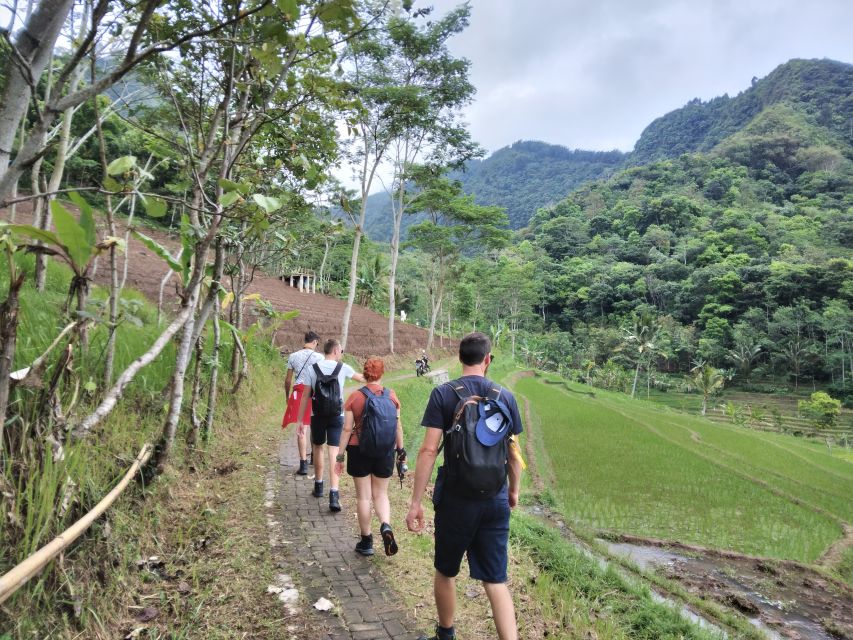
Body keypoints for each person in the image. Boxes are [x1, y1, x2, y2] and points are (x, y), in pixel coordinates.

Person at [407, 332, 523, 640]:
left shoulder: (443, 394)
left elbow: (429, 450)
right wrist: (513, 491)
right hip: (495, 498)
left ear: (460, 358)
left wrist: (416, 502)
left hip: (456, 499)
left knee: (446, 570)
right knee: (496, 580)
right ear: (488, 360)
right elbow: (513, 453)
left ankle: (446, 634)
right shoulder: (505, 396)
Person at [335, 357, 405, 557]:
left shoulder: (355, 398)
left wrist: (339, 457)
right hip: (385, 450)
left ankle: (366, 542)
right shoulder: (392, 396)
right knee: (381, 494)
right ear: (382, 374)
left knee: (364, 497)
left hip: (359, 450)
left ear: (364, 374)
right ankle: (385, 525)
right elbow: (398, 426)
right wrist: (401, 451)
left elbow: (347, 428)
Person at [297, 339, 365, 511]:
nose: (341, 354)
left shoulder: (313, 369)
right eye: (341, 351)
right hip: (337, 415)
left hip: (317, 415)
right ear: (335, 351)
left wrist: (300, 421)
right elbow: (363, 379)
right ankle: (334, 495)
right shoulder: (342, 368)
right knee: (334, 451)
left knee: (318, 448)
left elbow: (305, 396)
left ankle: (318, 486)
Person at [282, 331, 322, 476]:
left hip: (299, 394)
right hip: (314, 395)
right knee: (313, 425)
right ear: (315, 342)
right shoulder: (320, 357)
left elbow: (287, 381)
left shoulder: (293, 356)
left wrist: (287, 397)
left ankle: (303, 464)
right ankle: (313, 458)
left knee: (301, 429)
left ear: (305, 340)